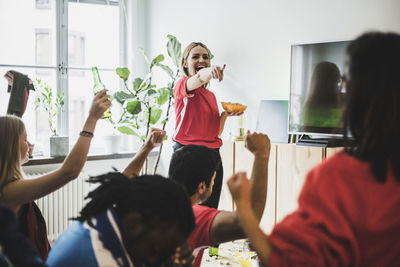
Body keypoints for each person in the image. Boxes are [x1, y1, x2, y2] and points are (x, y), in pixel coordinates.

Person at [228, 32, 400, 267]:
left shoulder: (341, 178)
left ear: (356, 93)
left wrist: (244, 209)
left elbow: (282, 261)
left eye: (346, 81)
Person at [0, 89, 111, 260]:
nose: (30, 144)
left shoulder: (11, 185)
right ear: (11, 147)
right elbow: (69, 172)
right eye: (25, 139)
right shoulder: (9, 191)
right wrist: (92, 119)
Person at [46, 173, 195, 267]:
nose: (153, 262)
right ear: (133, 223)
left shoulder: (98, 219)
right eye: (154, 251)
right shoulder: (99, 260)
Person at [169, 132, 270, 265]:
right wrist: (261, 155)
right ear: (201, 187)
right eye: (213, 180)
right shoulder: (192, 215)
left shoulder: (156, 201)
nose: (214, 184)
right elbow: (248, 222)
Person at [172, 42, 242, 209]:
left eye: (205, 57)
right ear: (185, 63)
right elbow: (199, 78)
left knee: (209, 212)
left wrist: (225, 116)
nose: (201, 60)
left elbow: (214, 132)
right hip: (187, 155)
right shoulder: (183, 85)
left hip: (212, 156)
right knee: (183, 214)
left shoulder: (210, 96)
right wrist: (208, 72)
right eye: (195, 57)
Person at [302, 61, 344, 130]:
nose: (338, 87)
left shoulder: (342, 99)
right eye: (336, 82)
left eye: (338, 82)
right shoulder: (312, 104)